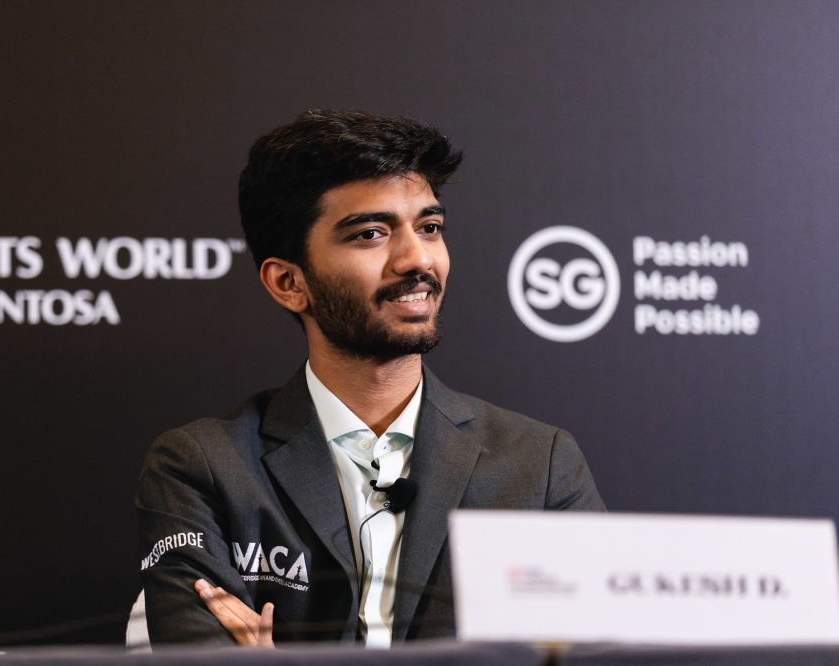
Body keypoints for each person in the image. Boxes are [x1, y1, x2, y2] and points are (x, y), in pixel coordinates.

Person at [135, 110, 605, 648]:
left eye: (429, 227)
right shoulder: (201, 466)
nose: (417, 258)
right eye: (371, 234)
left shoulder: (539, 465)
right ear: (289, 282)